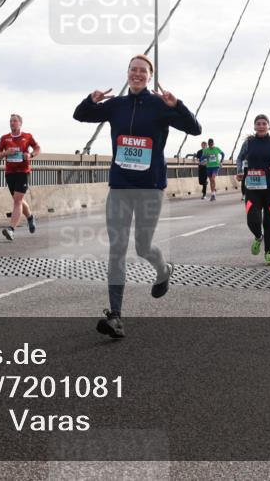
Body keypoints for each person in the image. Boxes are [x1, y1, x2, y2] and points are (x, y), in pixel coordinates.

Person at [73, 54, 201, 339]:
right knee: (117, 249)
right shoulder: (116, 105)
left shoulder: (160, 106)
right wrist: (90, 100)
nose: (137, 74)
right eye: (133, 70)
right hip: (120, 186)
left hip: (150, 187)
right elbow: (80, 116)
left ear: (149, 76)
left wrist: (177, 105)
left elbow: (195, 129)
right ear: (127, 73)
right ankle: (115, 315)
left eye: (143, 71)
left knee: (143, 247)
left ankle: (163, 269)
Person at [236, 114, 270, 266]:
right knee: (252, 219)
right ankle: (258, 237)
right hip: (253, 187)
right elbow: (240, 158)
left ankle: (268, 253)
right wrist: (239, 171)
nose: (261, 126)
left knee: (269, 222)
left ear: (268, 126)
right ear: (254, 127)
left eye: (264, 123)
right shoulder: (249, 143)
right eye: (258, 123)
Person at [0, 114, 40, 241]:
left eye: (14, 121)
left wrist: (30, 155)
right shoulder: (4, 138)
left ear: (20, 123)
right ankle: (30, 217)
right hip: (10, 173)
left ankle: (11, 229)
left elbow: (37, 148)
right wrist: (5, 153)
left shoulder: (27, 136)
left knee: (17, 200)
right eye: (10, 121)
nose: (12, 123)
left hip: (23, 172)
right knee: (18, 199)